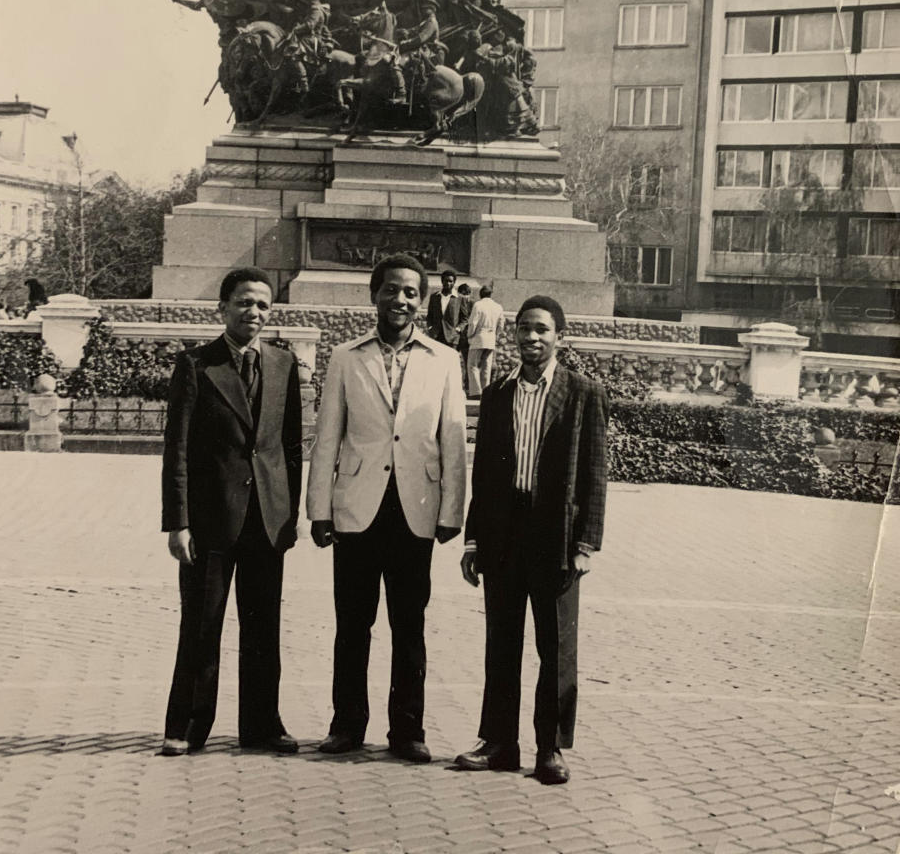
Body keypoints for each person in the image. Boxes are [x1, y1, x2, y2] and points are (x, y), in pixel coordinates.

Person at [307, 253, 466, 762]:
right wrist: (320, 509)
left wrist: (450, 513)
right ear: (373, 295)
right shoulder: (346, 358)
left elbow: (453, 442)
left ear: (423, 301)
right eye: (391, 290)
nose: (400, 300)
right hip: (356, 507)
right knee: (353, 625)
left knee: (409, 627)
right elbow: (327, 437)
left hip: (414, 509)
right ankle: (347, 726)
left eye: (411, 293)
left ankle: (408, 732)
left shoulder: (444, 360)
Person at [456, 295, 609, 786]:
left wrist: (586, 544)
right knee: (501, 643)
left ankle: (550, 748)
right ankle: (499, 742)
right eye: (523, 329)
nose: (532, 337)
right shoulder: (499, 392)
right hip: (503, 534)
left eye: (542, 329)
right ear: (512, 334)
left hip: (556, 537)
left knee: (556, 646)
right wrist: (473, 540)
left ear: (559, 335)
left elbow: (594, 475)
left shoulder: (583, 393)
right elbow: (484, 473)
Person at [160, 266, 302, 756]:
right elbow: (176, 450)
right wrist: (177, 522)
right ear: (222, 309)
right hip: (210, 521)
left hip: (267, 519)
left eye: (263, 305)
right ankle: (186, 727)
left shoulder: (283, 365)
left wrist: (290, 514)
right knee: (202, 624)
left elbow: (288, 448)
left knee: (263, 628)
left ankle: (262, 726)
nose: (254, 313)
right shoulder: (197, 366)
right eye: (244, 303)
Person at [465, 284, 505, 398]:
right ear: (490, 294)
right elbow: (501, 325)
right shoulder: (498, 307)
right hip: (490, 339)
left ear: (480, 294)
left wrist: (469, 335)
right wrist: (495, 334)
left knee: (472, 365)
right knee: (486, 366)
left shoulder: (478, 305)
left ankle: (476, 392)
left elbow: (473, 323)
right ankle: (485, 391)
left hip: (478, 338)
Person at [425, 269, 465, 348]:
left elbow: (465, 318)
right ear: (442, 281)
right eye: (446, 281)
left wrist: (458, 329)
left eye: (450, 281)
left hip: (452, 337)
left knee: (450, 359)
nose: (448, 283)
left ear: (454, 283)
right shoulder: (434, 297)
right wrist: (430, 327)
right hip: (436, 336)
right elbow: (430, 315)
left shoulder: (459, 298)